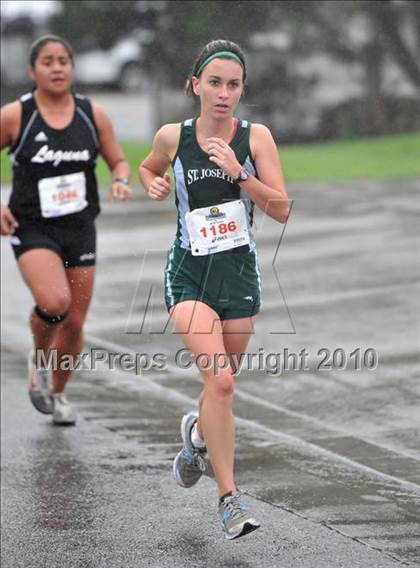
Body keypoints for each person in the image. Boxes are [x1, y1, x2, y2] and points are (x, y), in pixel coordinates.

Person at [139, 39, 289, 540]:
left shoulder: (256, 138)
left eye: (233, 84)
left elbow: (282, 209)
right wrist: (151, 183)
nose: (223, 93)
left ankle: (195, 441)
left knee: (217, 390)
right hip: (188, 277)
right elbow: (148, 168)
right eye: (215, 83)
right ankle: (229, 499)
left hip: (238, 279)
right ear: (195, 84)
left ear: (242, 89)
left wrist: (240, 173)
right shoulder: (172, 137)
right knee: (221, 382)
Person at [0, 35, 133, 426]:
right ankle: (39, 358)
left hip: (79, 227)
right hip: (33, 226)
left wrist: (121, 179)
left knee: (74, 322)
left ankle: (56, 393)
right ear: (32, 71)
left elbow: (118, 159)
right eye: (47, 61)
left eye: (63, 61)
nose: (57, 67)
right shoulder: (16, 115)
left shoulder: (93, 114)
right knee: (55, 302)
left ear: (72, 69)